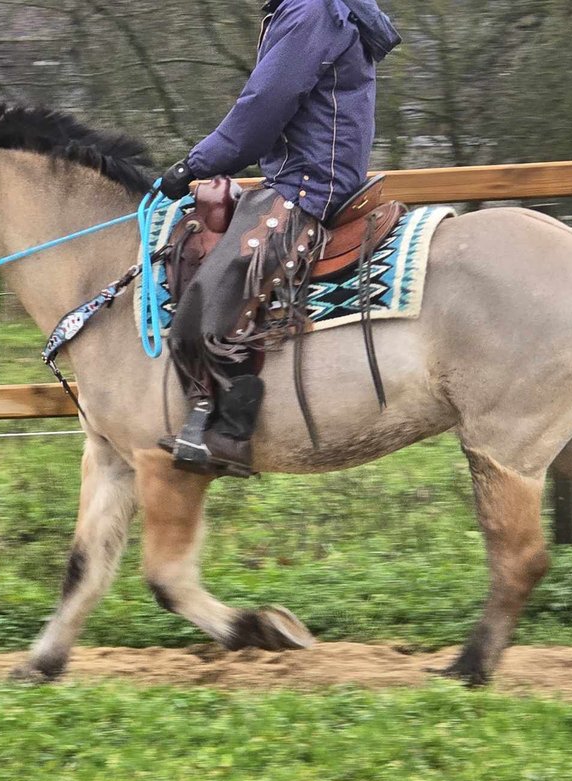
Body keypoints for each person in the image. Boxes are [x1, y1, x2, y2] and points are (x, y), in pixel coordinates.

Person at [157, 0, 401, 478]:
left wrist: (197, 164)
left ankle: (230, 428)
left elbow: (265, 102)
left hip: (311, 181)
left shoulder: (312, 9)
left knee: (222, 279)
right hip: (302, 172)